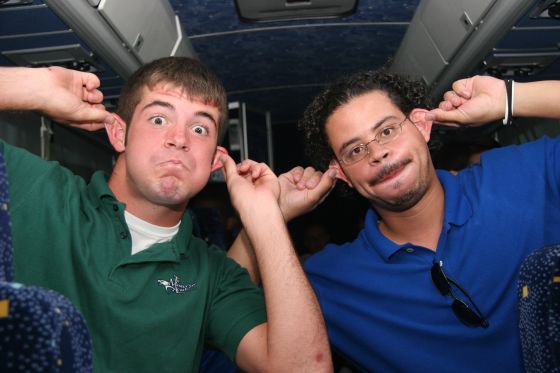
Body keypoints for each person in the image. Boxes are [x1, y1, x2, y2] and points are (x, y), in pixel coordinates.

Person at [0, 58, 333, 372]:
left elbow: (305, 367)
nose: (179, 139)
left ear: (215, 161)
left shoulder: (214, 275)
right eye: (159, 119)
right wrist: (36, 86)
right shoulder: (40, 191)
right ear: (119, 134)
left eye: (200, 129)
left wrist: (268, 217)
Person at [233, 71, 560, 371]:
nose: (377, 154)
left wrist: (512, 98)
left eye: (387, 131)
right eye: (355, 150)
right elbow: (210, 311)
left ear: (421, 125)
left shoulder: (522, 175)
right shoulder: (328, 281)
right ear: (342, 173)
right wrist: (270, 216)